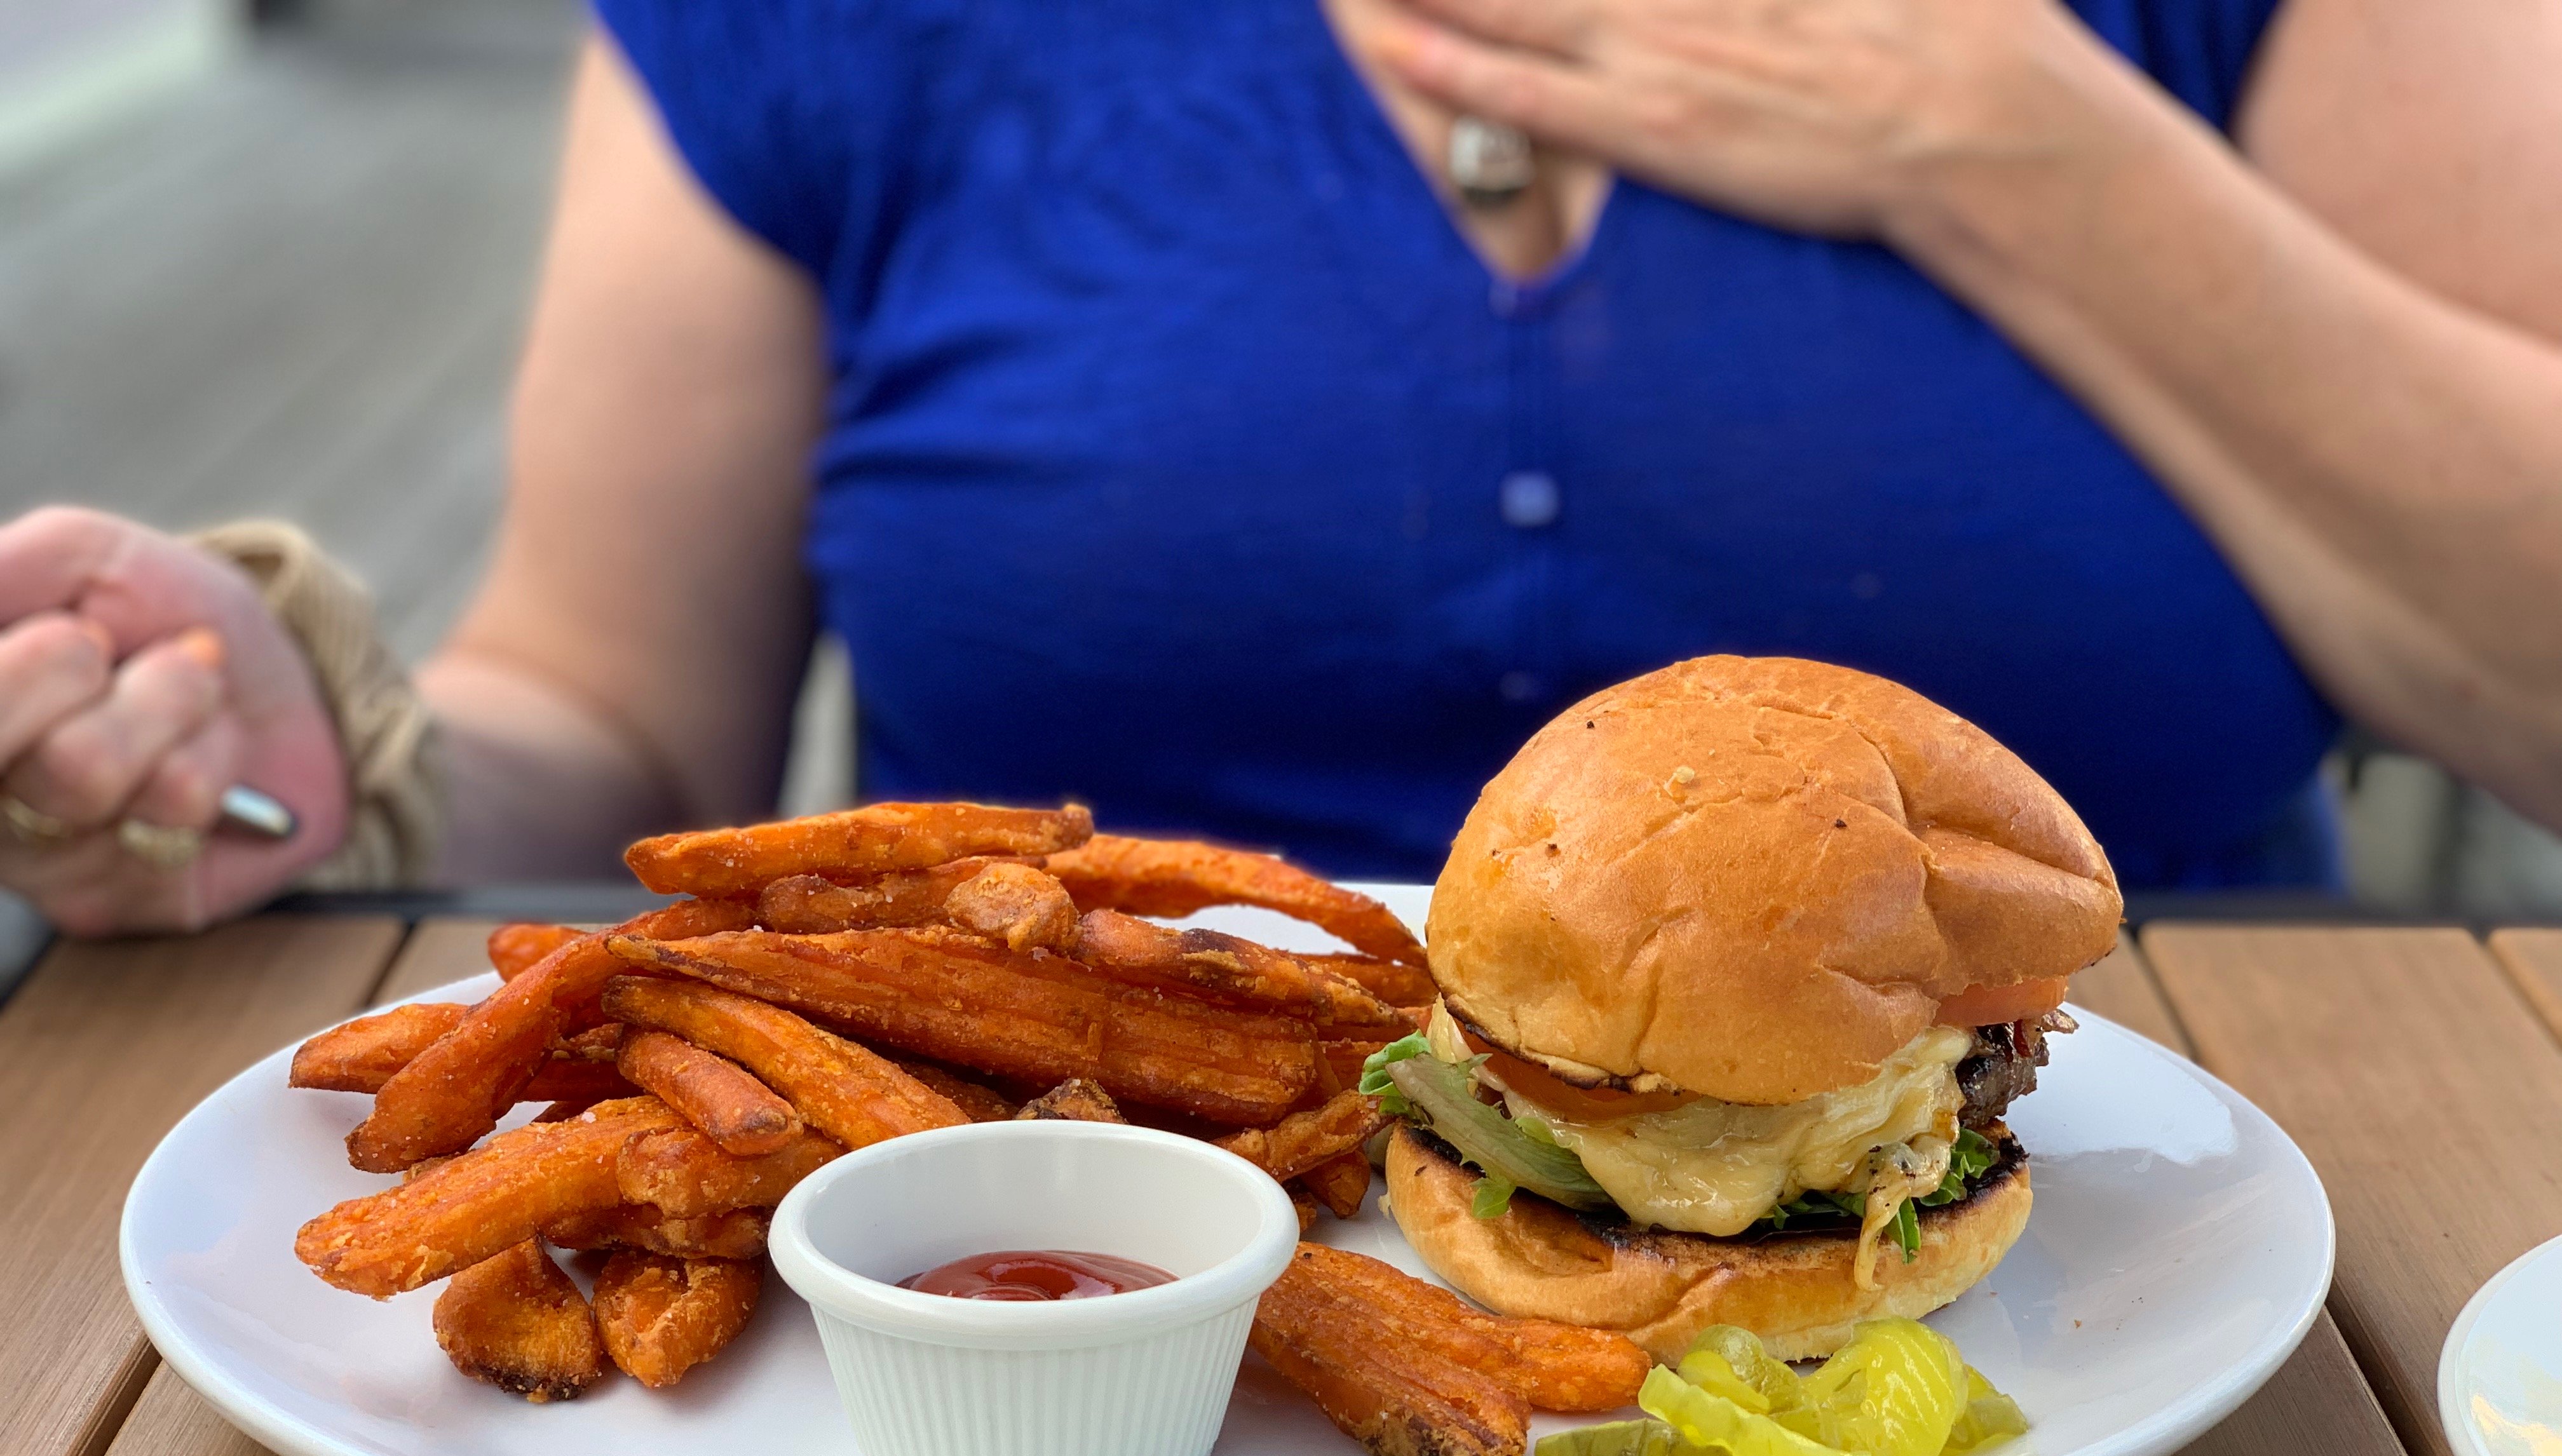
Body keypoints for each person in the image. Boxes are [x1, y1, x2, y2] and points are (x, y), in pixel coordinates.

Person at [4, 0, 2560, 937]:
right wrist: (326, 768)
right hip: (1062, 1325)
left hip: (2122, 1282)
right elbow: (623, 739)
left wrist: (2026, 154)